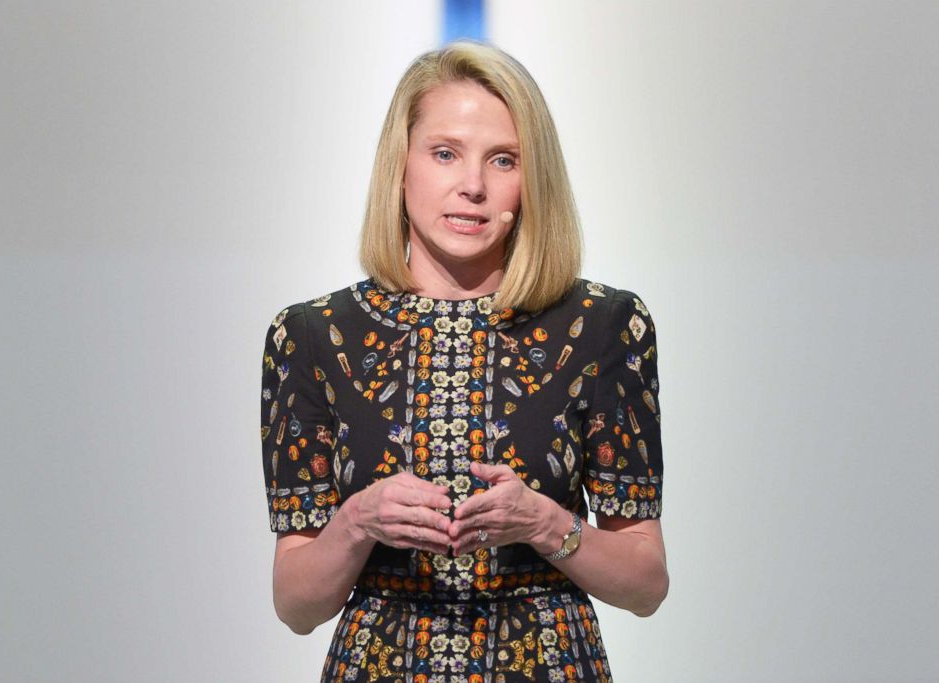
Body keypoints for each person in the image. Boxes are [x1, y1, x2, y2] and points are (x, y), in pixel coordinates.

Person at [259, 40, 668, 682]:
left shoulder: (603, 326)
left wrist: (546, 522)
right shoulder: (312, 335)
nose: (472, 186)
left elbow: (646, 584)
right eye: (444, 153)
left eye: (503, 159)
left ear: (532, 180)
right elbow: (296, 603)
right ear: (401, 166)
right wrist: (359, 519)